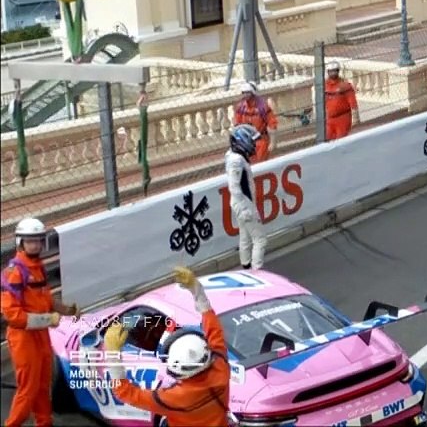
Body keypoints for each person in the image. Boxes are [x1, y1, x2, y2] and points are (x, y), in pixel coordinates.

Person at [104, 266, 231, 427]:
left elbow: (123, 392)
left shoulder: (174, 397)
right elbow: (215, 332)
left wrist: (112, 351)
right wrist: (196, 289)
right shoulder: (221, 369)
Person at [2, 218, 78, 427]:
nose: (35, 244)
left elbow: (43, 299)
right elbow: (13, 316)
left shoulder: (38, 267)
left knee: (43, 384)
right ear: (21, 242)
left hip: (41, 334)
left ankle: (44, 423)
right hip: (23, 338)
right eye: (30, 241)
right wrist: (47, 319)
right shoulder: (14, 272)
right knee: (28, 389)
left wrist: (64, 310)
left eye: (38, 240)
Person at [226, 125, 267, 270]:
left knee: (245, 237)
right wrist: (245, 208)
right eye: (252, 141)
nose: (254, 145)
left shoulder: (233, 157)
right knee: (260, 239)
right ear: (243, 141)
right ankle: (257, 272)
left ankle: (247, 268)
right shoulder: (236, 161)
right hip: (244, 204)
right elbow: (234, 186)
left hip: (240, 203)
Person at [229, 82, 276, 164]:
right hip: (246, 141)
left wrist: (272, 142)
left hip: (261, 140)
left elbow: (272, 124)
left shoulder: (263, 107)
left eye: (247, 92)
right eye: (243, 93)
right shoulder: (241, 107)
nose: (245, 95)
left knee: (260, 163)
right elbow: (237, 125)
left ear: (252, 93)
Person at [323, 61, 358, 141]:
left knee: (341, 142)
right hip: (330, 119)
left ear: (338, 71)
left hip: (343, 118)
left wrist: (355, 119)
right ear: (328, 72)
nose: (333, 73)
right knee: (326, 141)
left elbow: (353, 103)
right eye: (331, 71)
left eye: (335, 71)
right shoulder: (325, 85)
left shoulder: (345, 86)